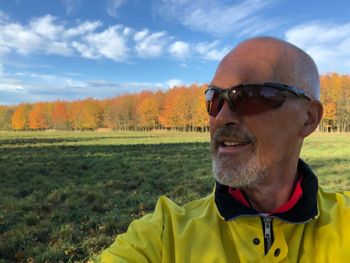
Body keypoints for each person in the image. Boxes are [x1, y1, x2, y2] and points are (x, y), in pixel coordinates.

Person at [98, 37, 350, 262]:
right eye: (213, 98)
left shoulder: (344, 224)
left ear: (308, 118)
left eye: (250, 95)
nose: (221, 116)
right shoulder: (166, 235)